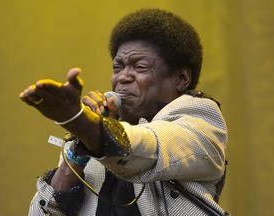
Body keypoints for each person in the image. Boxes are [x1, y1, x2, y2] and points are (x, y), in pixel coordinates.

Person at [20, 8, 228, 216]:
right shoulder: (93, 136)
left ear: (181, 78)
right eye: (118, 67)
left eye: (140, 67)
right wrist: (76, 152)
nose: (122, 78)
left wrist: (81, 122)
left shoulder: (201, 118)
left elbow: (148, 146)